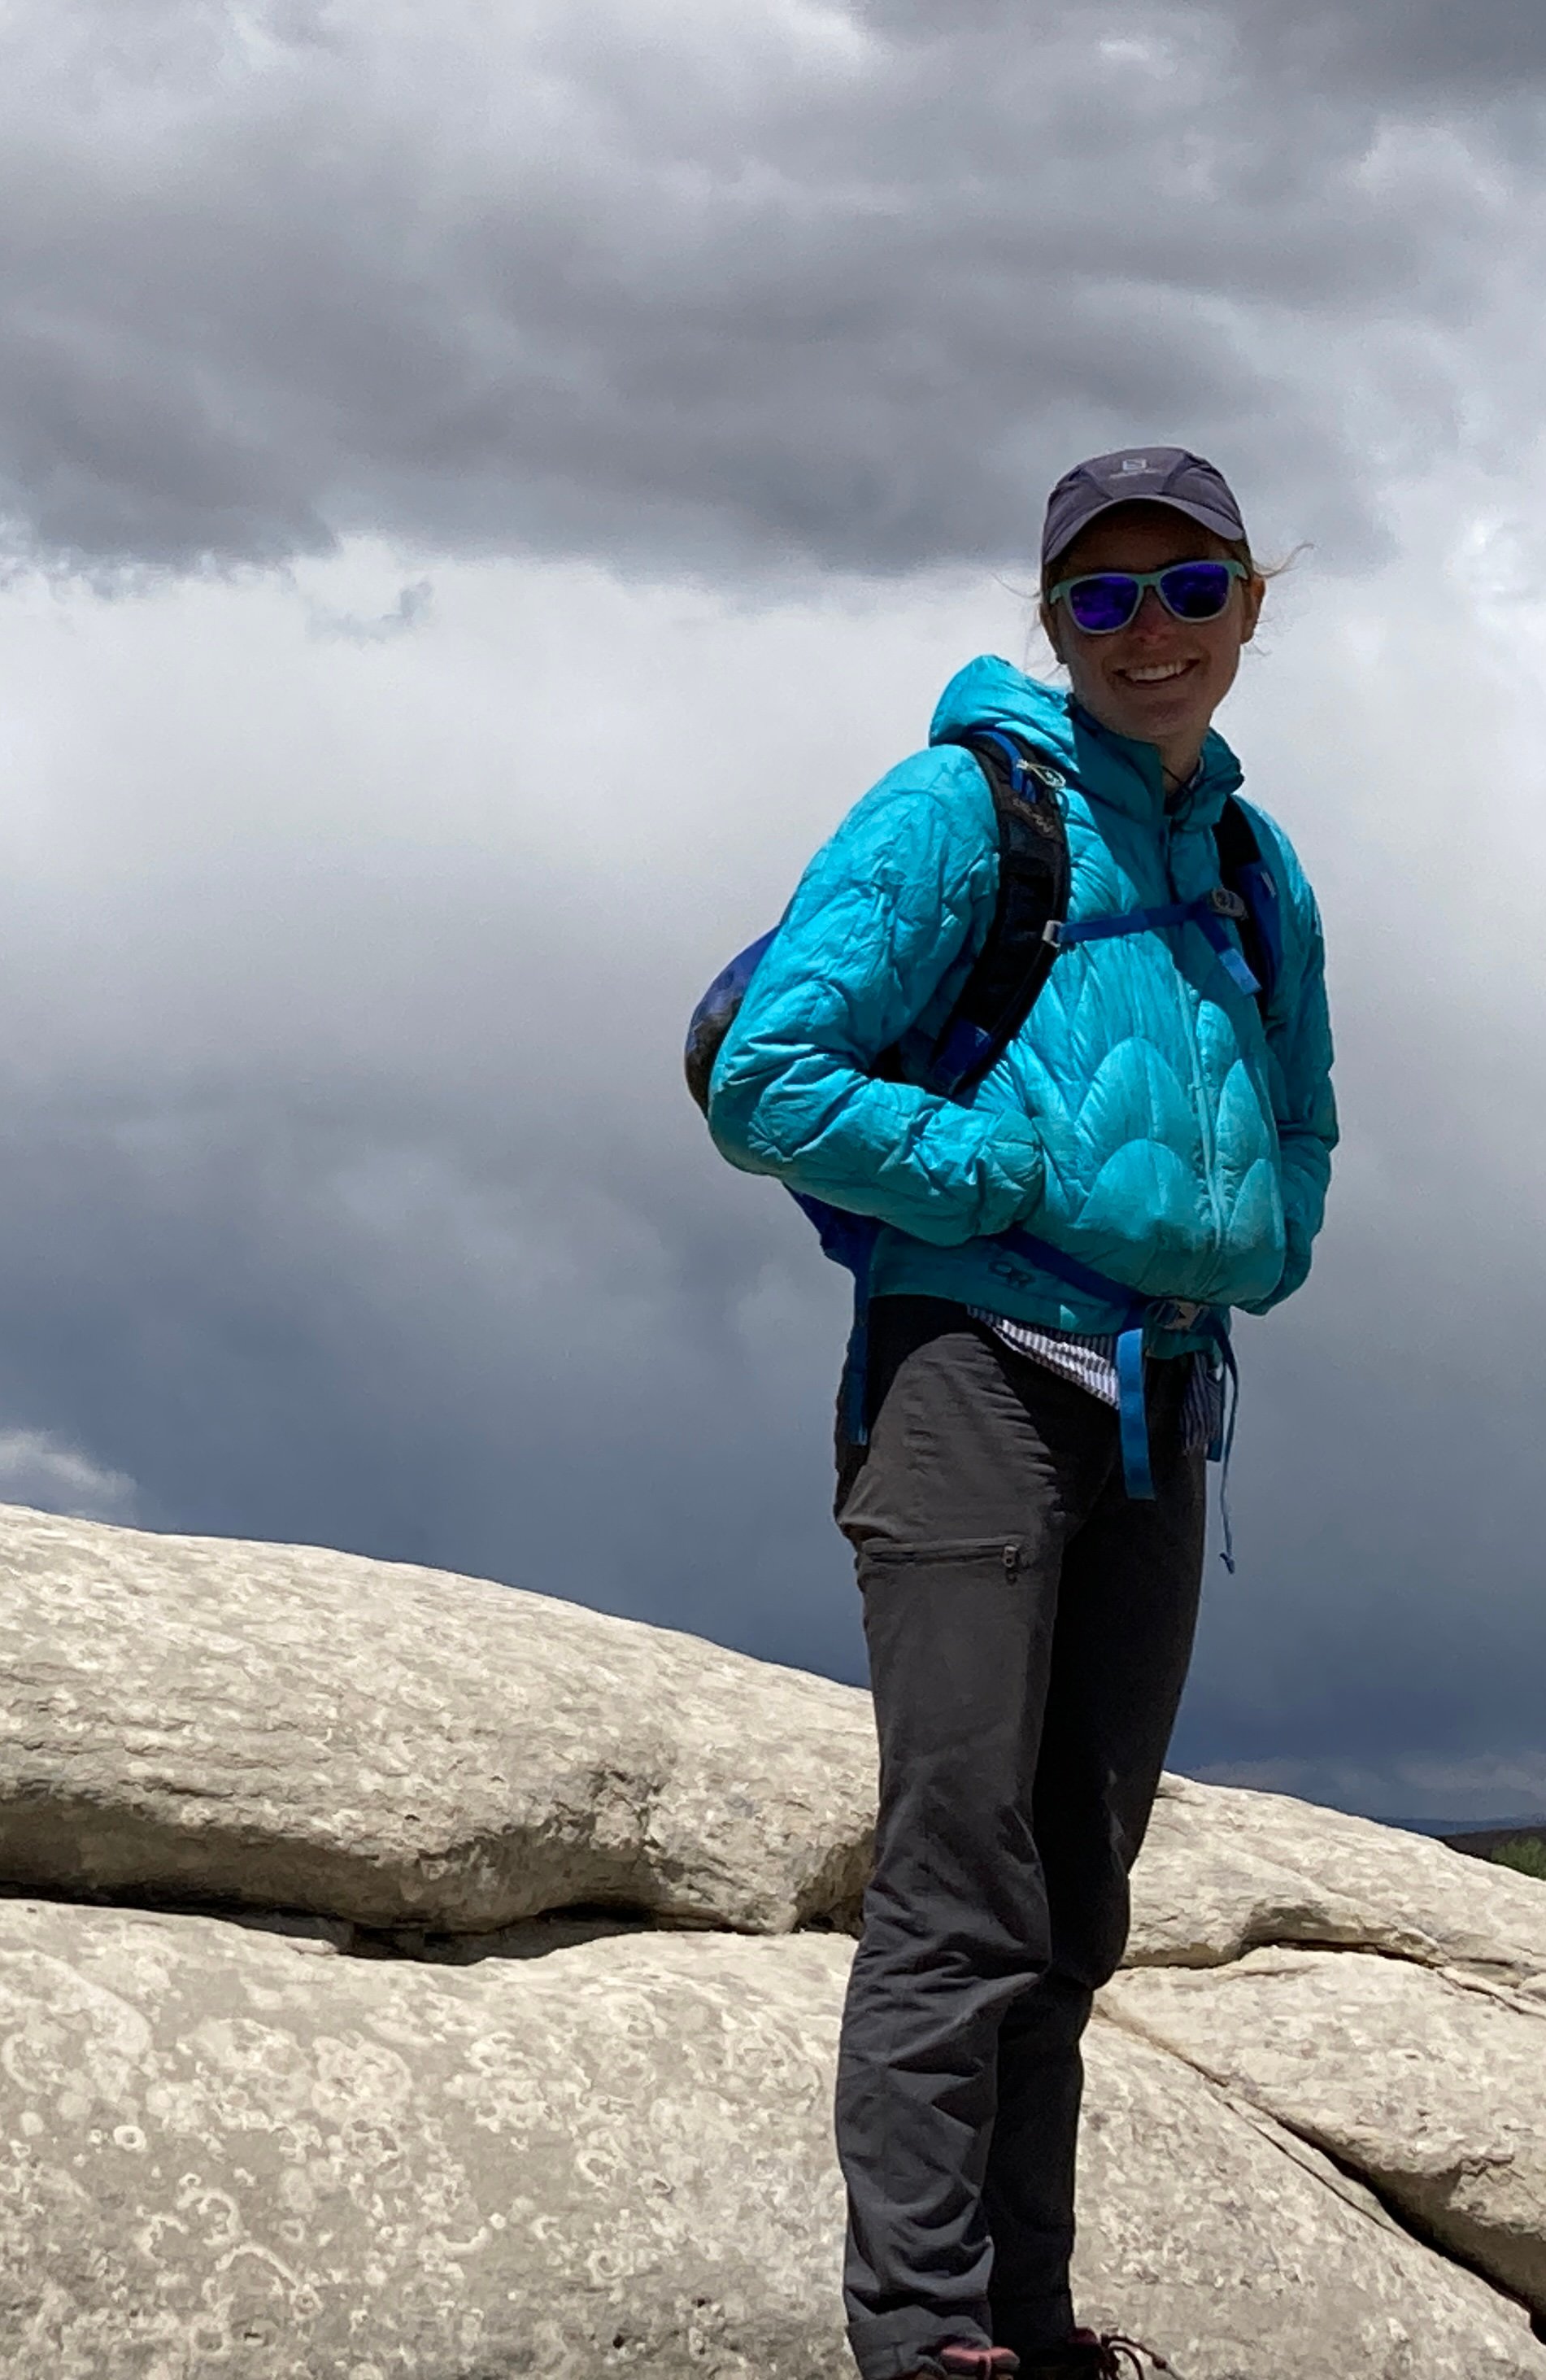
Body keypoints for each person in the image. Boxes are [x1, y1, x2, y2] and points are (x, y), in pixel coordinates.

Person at [701, 448, 1339, 2380]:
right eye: (1101, 598)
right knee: (960, 1871)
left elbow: (1299, 1096)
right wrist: (984, 1179)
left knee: (1073, 1885)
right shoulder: (959, 807)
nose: (1149, 634)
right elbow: (762, 1072)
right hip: (970, 1372)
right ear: (1048, 620)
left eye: (1187, 590)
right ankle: (918, 2338)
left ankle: (1022, 2319)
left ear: (1247, 603)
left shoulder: (1246, 857)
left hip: (1160, 1388)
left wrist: (1270, 1232)